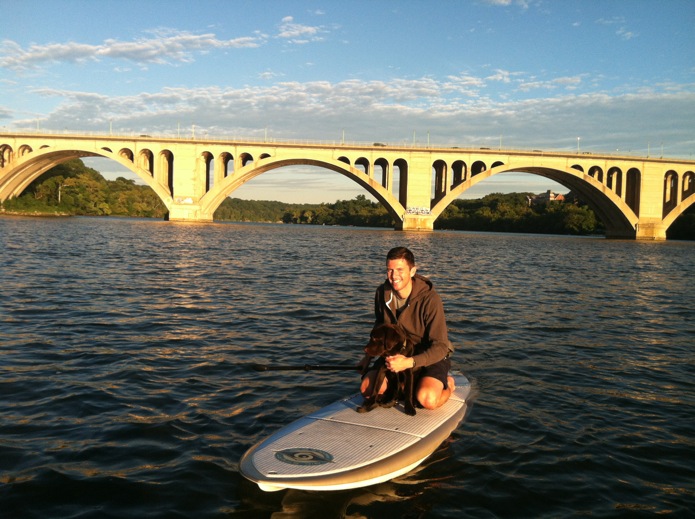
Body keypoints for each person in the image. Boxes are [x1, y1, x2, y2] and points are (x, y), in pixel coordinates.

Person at [359, 246, 455, 410]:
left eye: (399, 270)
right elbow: (379, 326)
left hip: (427, 355)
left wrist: (409, 362)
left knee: (427, 400)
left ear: (412, 271)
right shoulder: (382, 293)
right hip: (397, 352)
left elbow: (440, 346)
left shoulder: (430, 299)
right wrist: (367, 357)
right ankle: (404, 386)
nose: (394, 276)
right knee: (367, 390)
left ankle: (449, 386)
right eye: (389, 270)